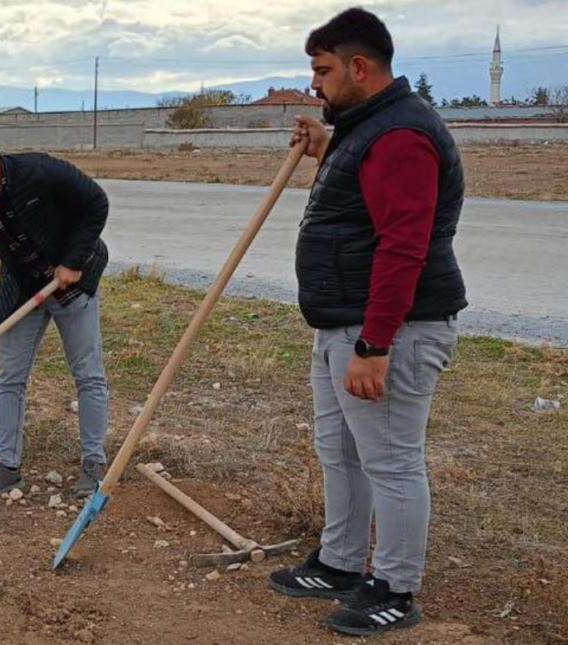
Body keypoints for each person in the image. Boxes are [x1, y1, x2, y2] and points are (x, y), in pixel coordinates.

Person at [267, 8, 467, 637]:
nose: (316, 85)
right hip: (342, 325)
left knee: (391, 460)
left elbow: (403, 245)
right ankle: (341, 562)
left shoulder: (401, 135)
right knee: (342, 453)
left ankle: (396, 587)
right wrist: (325, 147)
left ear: (360, 66)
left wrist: (374, 344)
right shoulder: (367, 129)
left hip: (388, 332)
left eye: (323, 71)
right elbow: (364, 188)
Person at [0, 117, 111, 502]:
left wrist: (73, 259)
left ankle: (94, 466)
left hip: (74, 282)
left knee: (88, 375)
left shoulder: (39, 171)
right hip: (24, 289)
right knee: (9, 378)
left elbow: (96, 203)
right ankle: (7, 468)